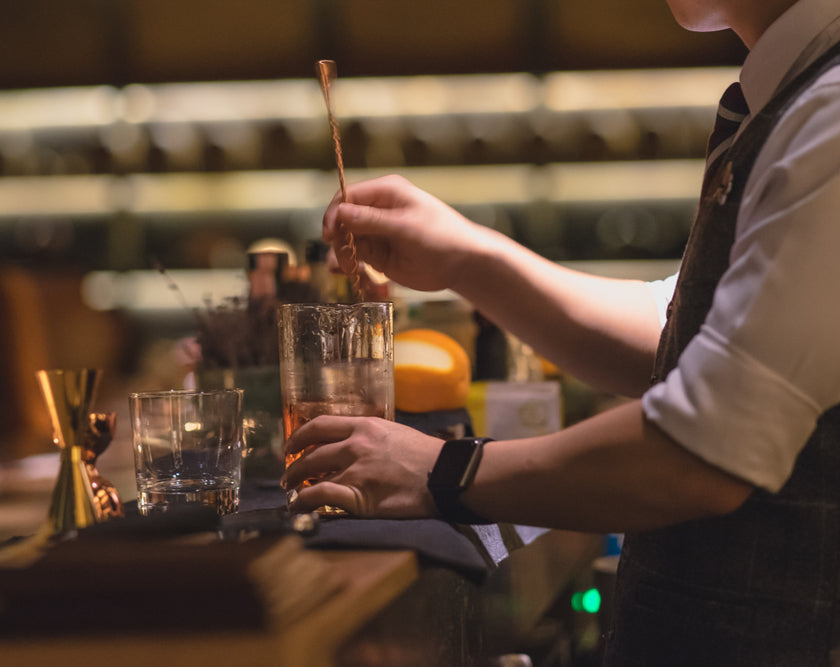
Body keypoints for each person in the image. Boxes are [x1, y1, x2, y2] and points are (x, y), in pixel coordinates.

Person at [280, 0, 840, 663]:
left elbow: (703, 451)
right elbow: (698, 333)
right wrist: (467, 257)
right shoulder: (799, 91)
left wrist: (439, 470)